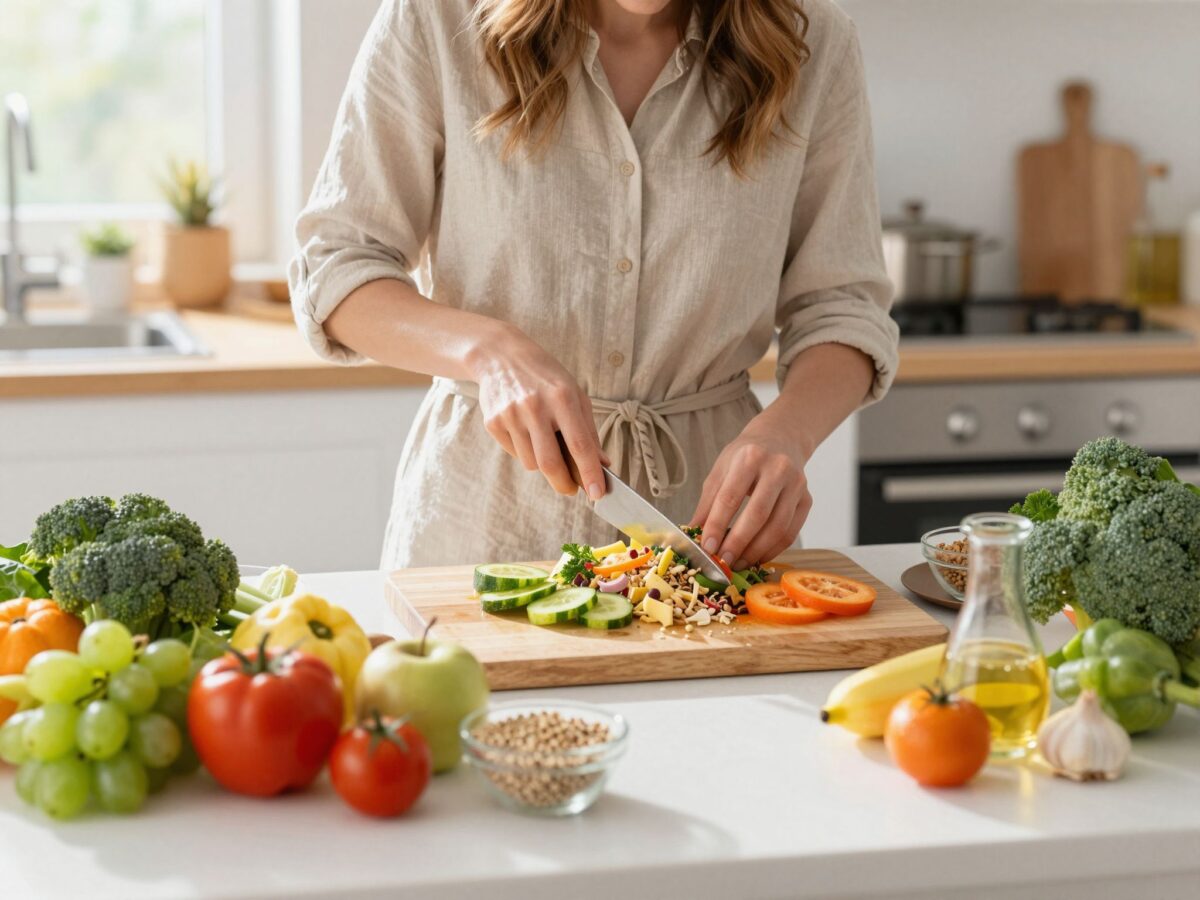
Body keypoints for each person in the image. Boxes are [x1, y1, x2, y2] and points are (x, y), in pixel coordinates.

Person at [290, 0, 898, 571]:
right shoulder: (436, 19)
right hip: (481, 524)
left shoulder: (814, 43)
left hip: (712, 531)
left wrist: (787, 432)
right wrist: (488, 353)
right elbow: (338, 266)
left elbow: (841, 308)